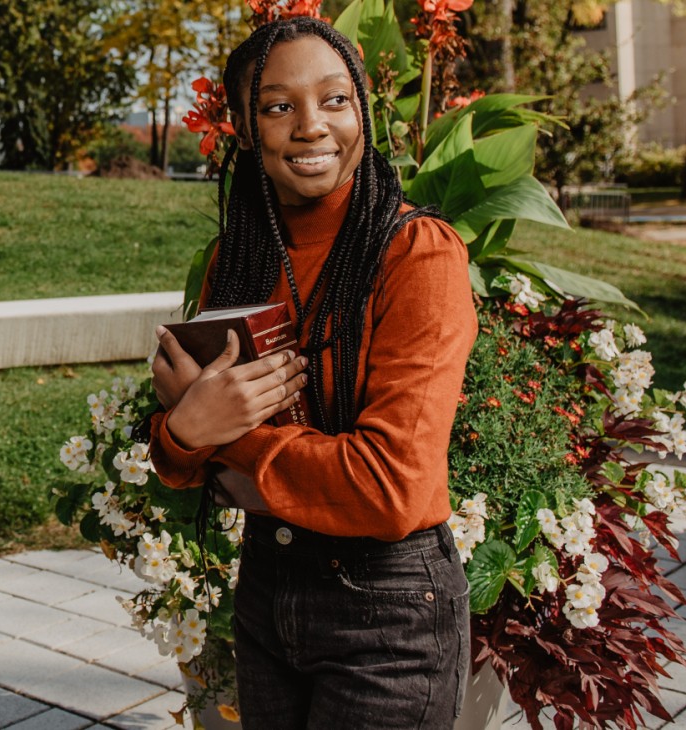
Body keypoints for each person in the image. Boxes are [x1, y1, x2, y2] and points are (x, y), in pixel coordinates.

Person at [146, 17, 476, 729]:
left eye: (334, 100)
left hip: (387, 616)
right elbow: (176, 465)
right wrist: (184, 434)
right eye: (277, 106)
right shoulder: (236, 262)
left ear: (362, 110)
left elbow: (390, 489)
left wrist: (217, 433)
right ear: (241, 127)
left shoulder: (416, 254)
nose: (311, 127)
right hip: (267, 590)